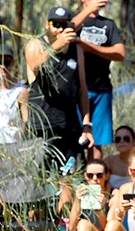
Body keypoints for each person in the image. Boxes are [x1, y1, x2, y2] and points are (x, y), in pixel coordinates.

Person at [25, 6, 94, 172]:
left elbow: (82, 89)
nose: (60, 29)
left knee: (71, 176)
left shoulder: (77, 50)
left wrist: (86, 125)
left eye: (64, 25)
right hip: (41, 126)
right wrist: (57, 45)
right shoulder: (35, 45)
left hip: (69, 125)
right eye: (55, 24)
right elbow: (34, 65)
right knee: (40, 177)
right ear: (47, 25)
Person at [72, 0, 125, 159]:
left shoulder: (108, 25)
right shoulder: (75, 20)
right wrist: (88, 10)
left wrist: (90, 47)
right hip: (76, 91)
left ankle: (94, 172)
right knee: (74, 138)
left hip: (101, 89)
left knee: (96, 143)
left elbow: (120, 53)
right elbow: (64, 31)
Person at [103, 124, 135, 188]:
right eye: (118, 139)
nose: (122, 141)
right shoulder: (109, 161)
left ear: (134, 141)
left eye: (126, 139)